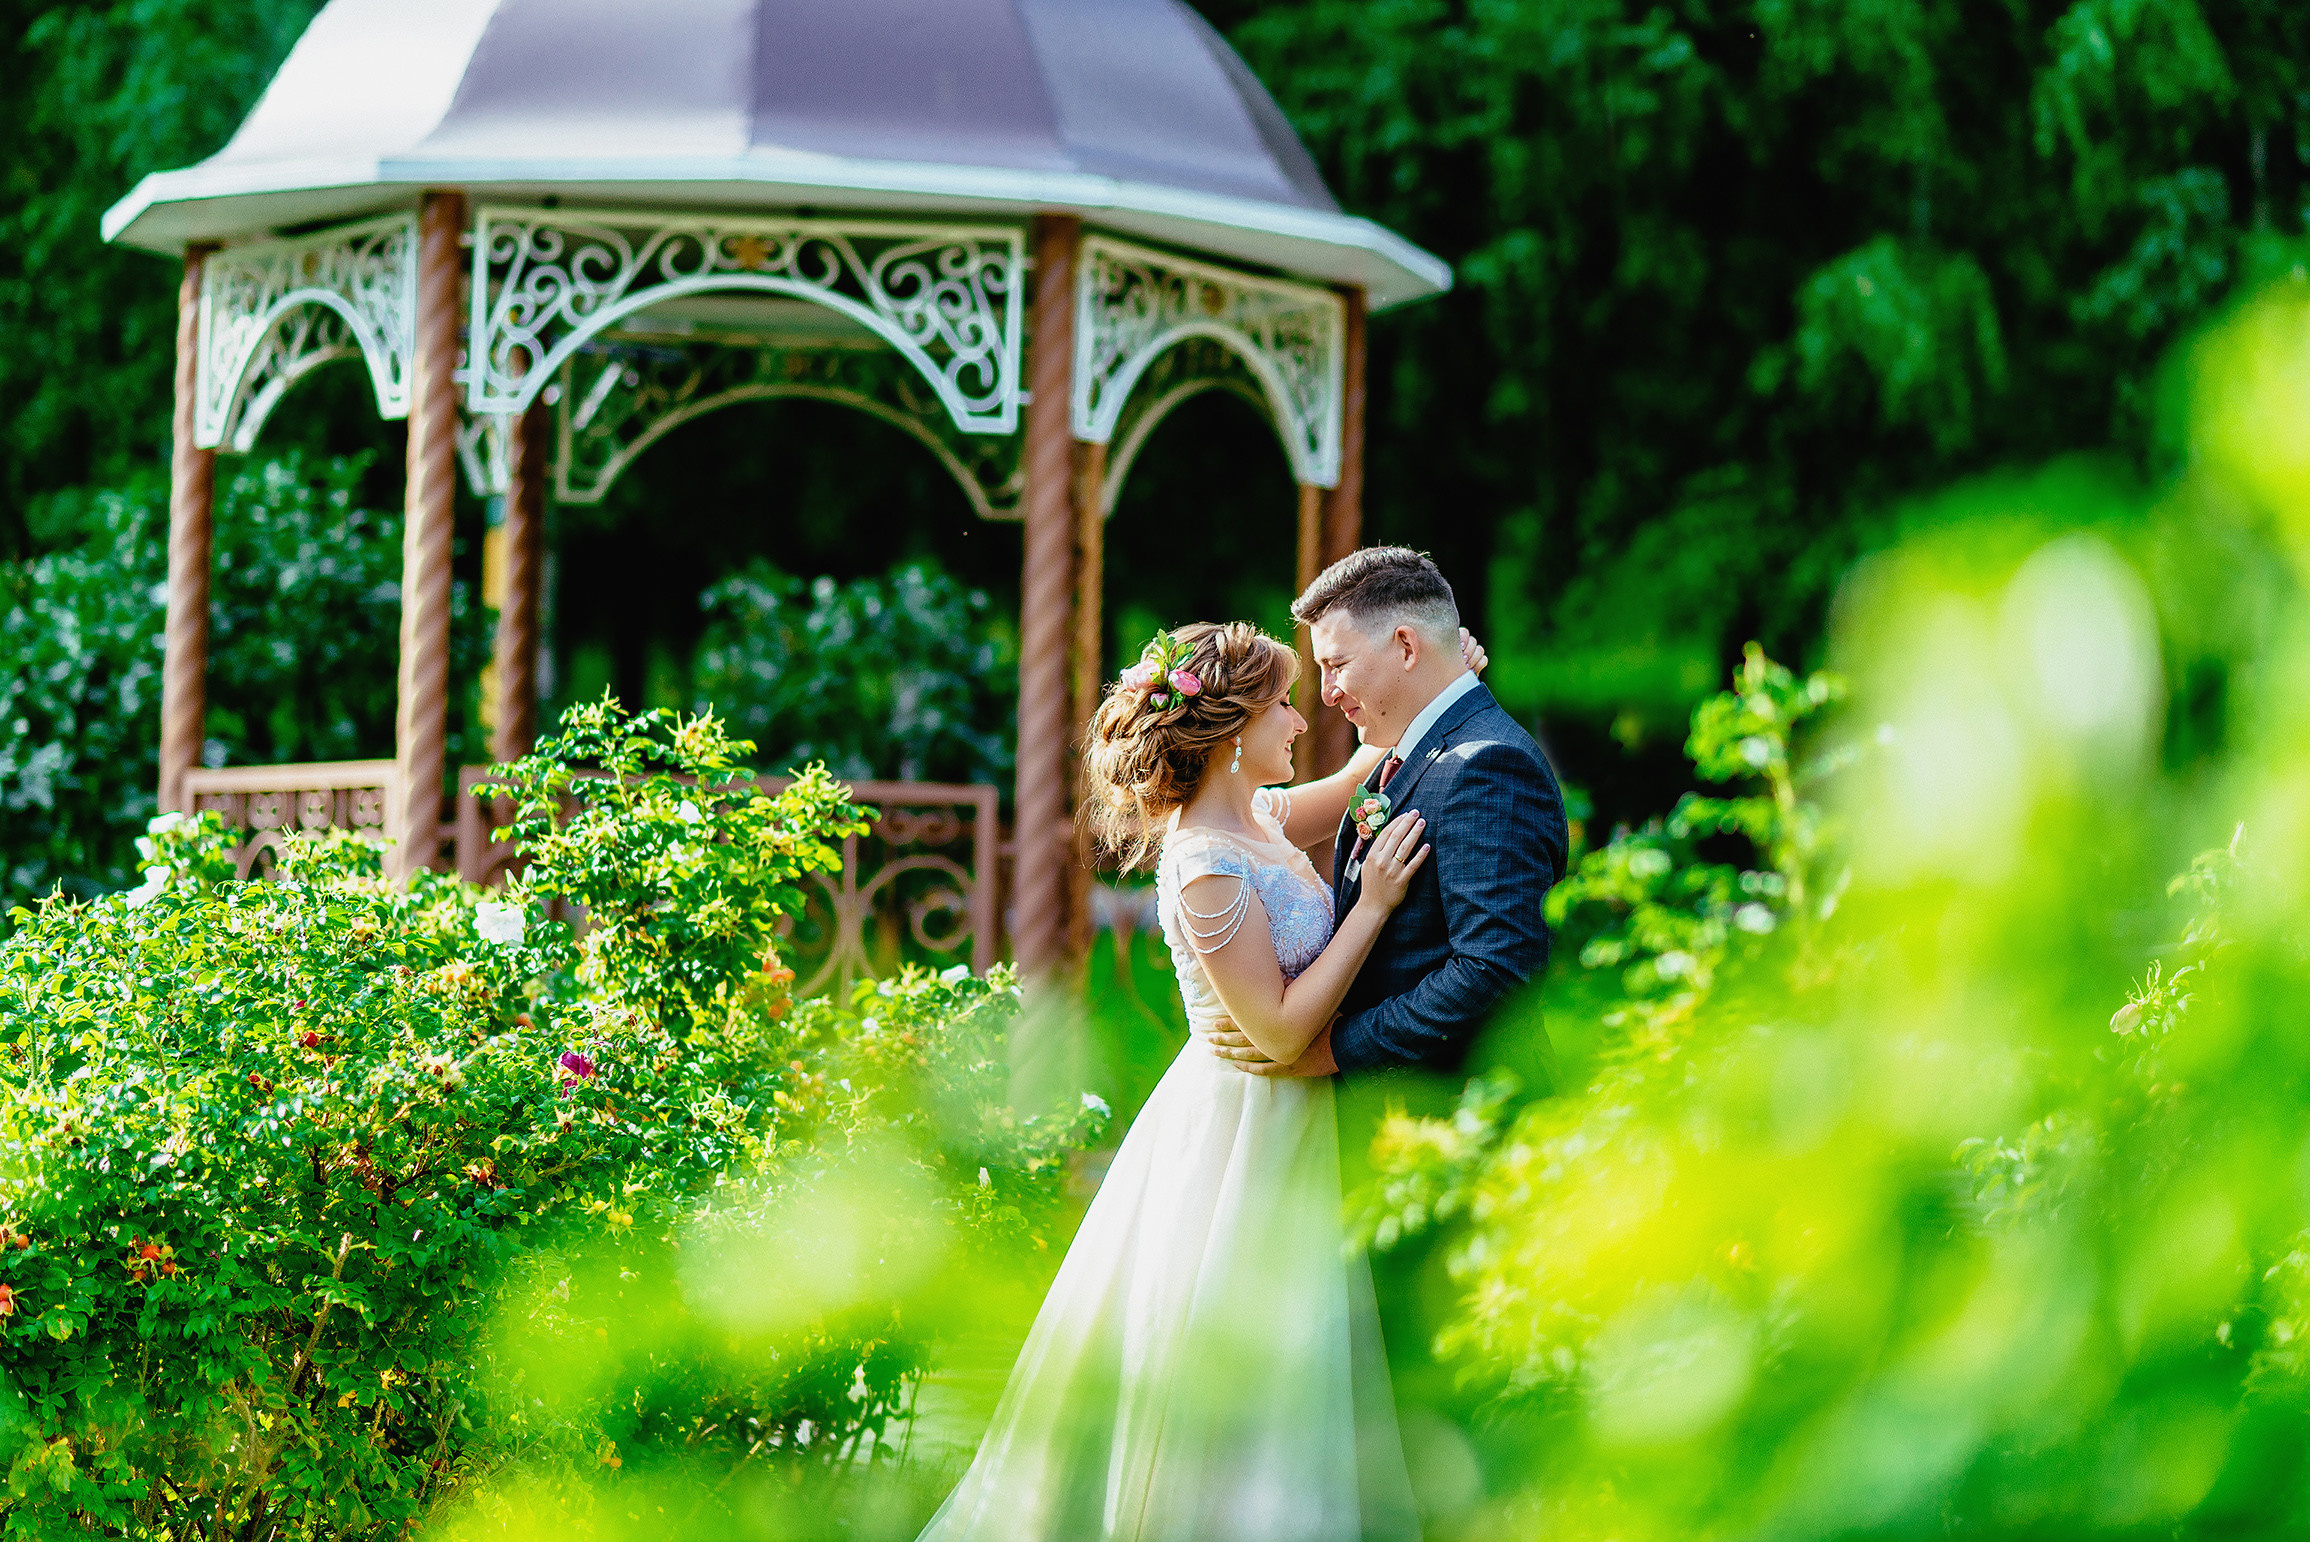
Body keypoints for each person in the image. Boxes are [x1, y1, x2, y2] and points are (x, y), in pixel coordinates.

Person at [915, 620, 1435, 1542]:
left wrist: (1433, 675)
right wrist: (1375, 908)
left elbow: (1363, 773)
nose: (1301, 721)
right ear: (1232, 733)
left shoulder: (1261, 819)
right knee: (1245, 1343)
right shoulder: (1203, 862)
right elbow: (1278, 1030)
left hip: (1293, 1114)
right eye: (1283, 705)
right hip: (1242, 1127)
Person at [1207, 546, 1568, 1084]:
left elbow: (1495, 971)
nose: (1326, 695)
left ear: (1405, 646)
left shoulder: (1488, 766)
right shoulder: (1406, 753)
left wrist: (1333, 1049)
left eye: (1337, 665)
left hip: (1456, 1109)